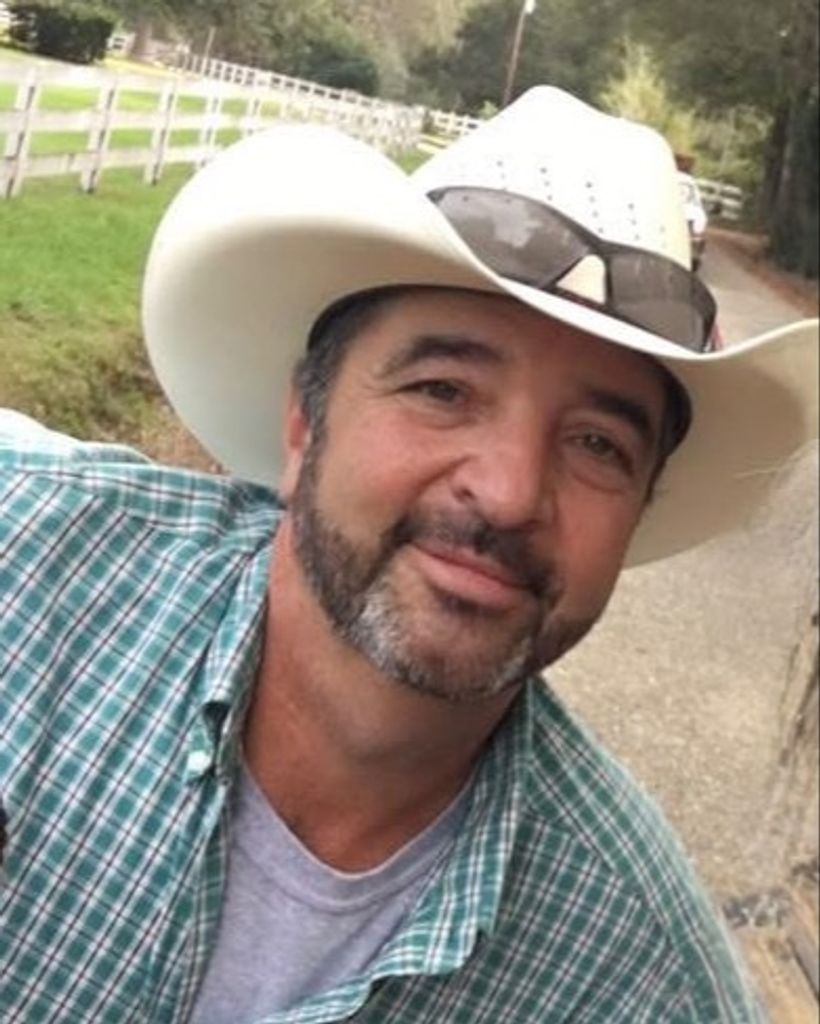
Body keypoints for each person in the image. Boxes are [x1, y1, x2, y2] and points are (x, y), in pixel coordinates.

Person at [0, 86, 816, 1024]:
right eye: (442, 389)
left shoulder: (641, 984)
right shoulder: (23, 555)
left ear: (637, 514)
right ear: (305, 420)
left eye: (598, 444)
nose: (509, 493)